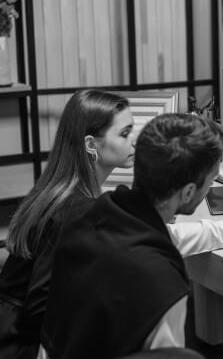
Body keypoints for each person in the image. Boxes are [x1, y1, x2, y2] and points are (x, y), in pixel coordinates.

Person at [39, 113, 223, 359]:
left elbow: (183, 235)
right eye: (212, 181)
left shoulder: (93, 216)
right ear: (188, 192)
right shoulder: (161, 280)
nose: (212, 187)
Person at [0, 89, 136, 359]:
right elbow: (40, 307)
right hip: (20, 344)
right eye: (125, 133)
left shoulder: (62, 191)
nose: (135, 140)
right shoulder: (74, 209)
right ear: (90, 145)